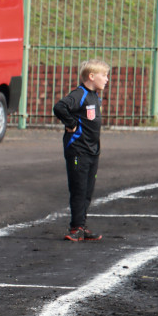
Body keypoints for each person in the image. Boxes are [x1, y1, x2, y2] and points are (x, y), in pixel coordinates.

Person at [52, 58, 110, 242]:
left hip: (92, 151)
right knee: (78, 189)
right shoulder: (80, 94)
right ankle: (75, 228)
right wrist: (71, 124)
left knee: (87, 191)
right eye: (104, 75)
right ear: (91, 76)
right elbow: (60, 107)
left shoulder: (95, 96)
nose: (107, 79)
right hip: (78, 151)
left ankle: (82, 226)